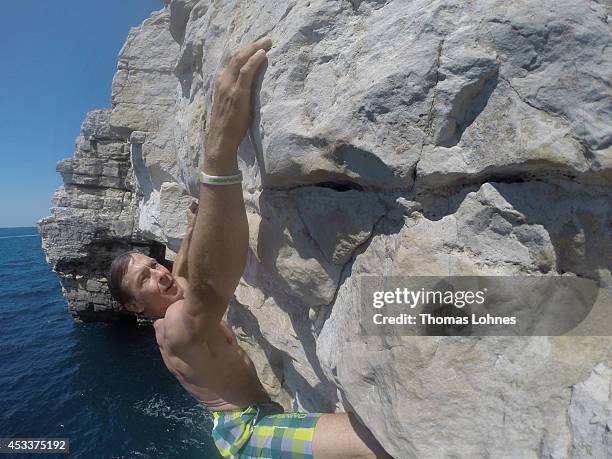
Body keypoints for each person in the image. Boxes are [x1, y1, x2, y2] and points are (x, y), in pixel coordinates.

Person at [108, 37, 391, 459]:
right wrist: (219, 154)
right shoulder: (174, 327)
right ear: (133, 307)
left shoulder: (172, 300)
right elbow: (205, 290)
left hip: (247, 418)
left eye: (153, 263)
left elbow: (184, 272)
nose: (160, 273)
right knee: (382, 445)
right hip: (249, 432)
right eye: (143, 279)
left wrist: (191, 228)